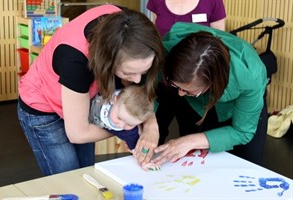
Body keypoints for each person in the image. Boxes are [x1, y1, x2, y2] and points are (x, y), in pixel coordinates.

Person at [17, 4, 164, 176]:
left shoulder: (130, 26)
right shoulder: (75, 60)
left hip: (84, 98)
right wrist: (128, 130)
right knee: (68, 177)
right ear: (108, 61)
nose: (138, 80)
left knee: (86, 171)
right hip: (42, 107)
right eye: (128, 73)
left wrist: (151, 126)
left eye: (144, 72)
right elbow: (78, 133)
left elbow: (137, 92)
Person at [153, 22, 268, 166]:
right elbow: (148, 90)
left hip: (237, 107)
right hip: (196, 103)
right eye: (175, 85)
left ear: (211, 83)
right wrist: (148, 126)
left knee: (245, 165)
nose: (180, 94)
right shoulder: (167, 48)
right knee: (194, 163)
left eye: (188, 91)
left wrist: (190, 141)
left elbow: (242, 132)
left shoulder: (250, 76)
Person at [88, 85, 154, 150]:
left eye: (130, 124)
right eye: (119, 118)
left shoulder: (128, 131)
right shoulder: (107, 93)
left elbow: (132, 139)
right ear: (114, 100)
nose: (121, 125)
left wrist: (134, 149)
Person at [147, 0, 226, 37]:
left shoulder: (213, 1)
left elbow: (220, 38)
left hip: (199, 65)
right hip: (163, 62)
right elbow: (156, 32)